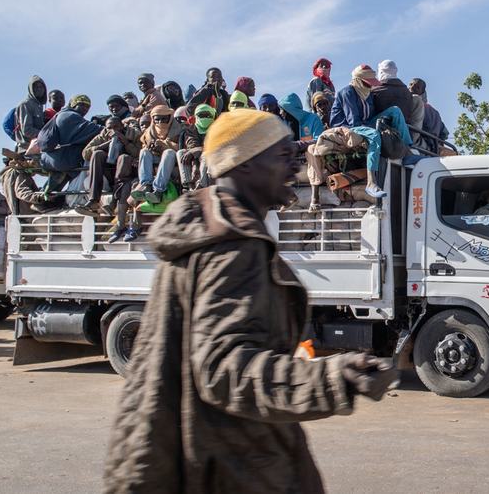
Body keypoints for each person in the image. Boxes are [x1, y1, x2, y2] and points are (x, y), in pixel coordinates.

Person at [104, 109, 397, 492]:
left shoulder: (213, 225)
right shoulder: (232, 245)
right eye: (282, 153)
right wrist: (328, 378)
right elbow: (223, 367)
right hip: (227, 468)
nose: (295, 162)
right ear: (245, 164)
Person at [330, 64, 413, 198]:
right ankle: (371, 182)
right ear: (358, 80)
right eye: (368, 83)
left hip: (363, 124)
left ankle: (408, 150)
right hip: (347, 127)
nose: (371, 86)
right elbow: (354, 122)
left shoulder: (367, 93)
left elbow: (370, 116)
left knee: (395, 111)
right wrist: (374, 129)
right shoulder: (348, 93)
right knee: (374, 135)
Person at [76, 112, 142, 218]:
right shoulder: (103, 135)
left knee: (123, 158)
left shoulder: (133, 133)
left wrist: (126, 142)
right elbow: (85, 154)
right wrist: (105, 145)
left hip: (127, 172)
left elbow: (139, 153)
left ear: (122, 126)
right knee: (97, 154)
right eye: (110, 128)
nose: (113, 130)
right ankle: (93, 200)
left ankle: (114, 201)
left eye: (116, 127)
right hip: (109, 172)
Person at [38, 95, 102, 177]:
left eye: (87, 107)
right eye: (82, 105)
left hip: (50, 158)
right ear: (73, 104)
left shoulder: (61, 114)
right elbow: (96, 130)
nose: (85, 108)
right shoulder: (70, 116)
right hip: (64, 160)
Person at [133, 105, 183, 204]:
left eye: (164, 119)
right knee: (144, 152)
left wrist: (165, 144)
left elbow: (182, 148)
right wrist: (151, 147)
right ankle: (146, 186)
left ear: (170, 117)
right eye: (157, 120)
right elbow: (144, 144)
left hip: (173, 162)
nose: (160, 122)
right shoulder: (149, 132)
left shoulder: (180, 129)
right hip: (156, 159)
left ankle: (158, 190)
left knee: (168, 152)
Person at [177, 104, 216, 191]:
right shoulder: (191, 129)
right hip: (197, 156)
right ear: (196, 117)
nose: (204, 118)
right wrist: (195, 165)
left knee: (206, 154)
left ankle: (201, 185)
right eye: (201, 115)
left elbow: (215, 146)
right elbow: (192, 145)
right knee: (181, 152)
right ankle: (189, 186)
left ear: (213, 116)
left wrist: (199, 150)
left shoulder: (217, 128)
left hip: (212, 157)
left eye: (207, 115)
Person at [408, 78, 450, 154]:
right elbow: (444, 133)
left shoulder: (415, 106)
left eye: (417, 87)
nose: (412, 87)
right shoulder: (434, 111)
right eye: (411, 84)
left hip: (421, 146)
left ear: (422, 92)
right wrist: (439, 146)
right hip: (434, 149)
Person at [14, 75, 48, 152]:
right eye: (36, 87)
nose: (39, 89)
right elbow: (27, 130)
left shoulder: (39, 106)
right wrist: (46, 134)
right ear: (31, 89)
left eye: (41, 87)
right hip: (26, 149)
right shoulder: (26, 104)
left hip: (39, 147)